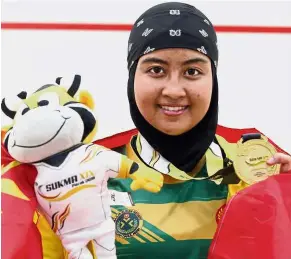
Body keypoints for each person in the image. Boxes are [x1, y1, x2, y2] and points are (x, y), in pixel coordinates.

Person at [1, 2, 291, 259]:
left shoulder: (258, 166)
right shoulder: (83, 172)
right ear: (132, 77)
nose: (174, 90)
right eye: (156, 70)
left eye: (192, 71)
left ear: (213, 79)